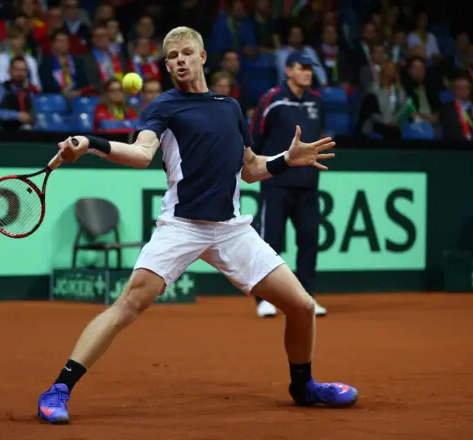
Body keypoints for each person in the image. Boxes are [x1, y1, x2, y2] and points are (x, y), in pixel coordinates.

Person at [36, 26, 358, 425]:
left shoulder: (230, 106)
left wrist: (286, 159)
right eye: (172, 57)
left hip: (231, 229)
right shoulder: (164, 107)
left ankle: (303, 386)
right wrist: (91, 143)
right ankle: (58, 389)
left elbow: (252, 168)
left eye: (187, 53)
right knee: (129, 303)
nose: (180, 61)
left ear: (203, 57)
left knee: (302, 306)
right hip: (181, 225)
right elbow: (140, 154)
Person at [249, 53, 328, 319]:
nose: (307, 73)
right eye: (301, 68)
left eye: (310, 69)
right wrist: (260, 168)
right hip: (276, 184)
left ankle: (306, 297)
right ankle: (265, 299)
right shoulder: (272, 100)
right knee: (270, 243)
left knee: (309, 242)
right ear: (288, 71)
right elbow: (256, 139)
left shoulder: (317, 101)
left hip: (307, 185)